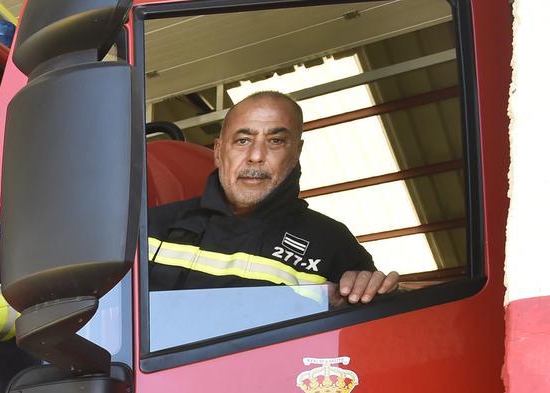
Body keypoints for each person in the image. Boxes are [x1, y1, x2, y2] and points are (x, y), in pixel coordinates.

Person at [146, 90, 399, 305]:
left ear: (297, 152)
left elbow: (359, 340)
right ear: (219, 151)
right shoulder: (151, 228)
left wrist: (371, 291)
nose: (256, 155)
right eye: (243, 140)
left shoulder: (333, 242)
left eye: (276, 141)